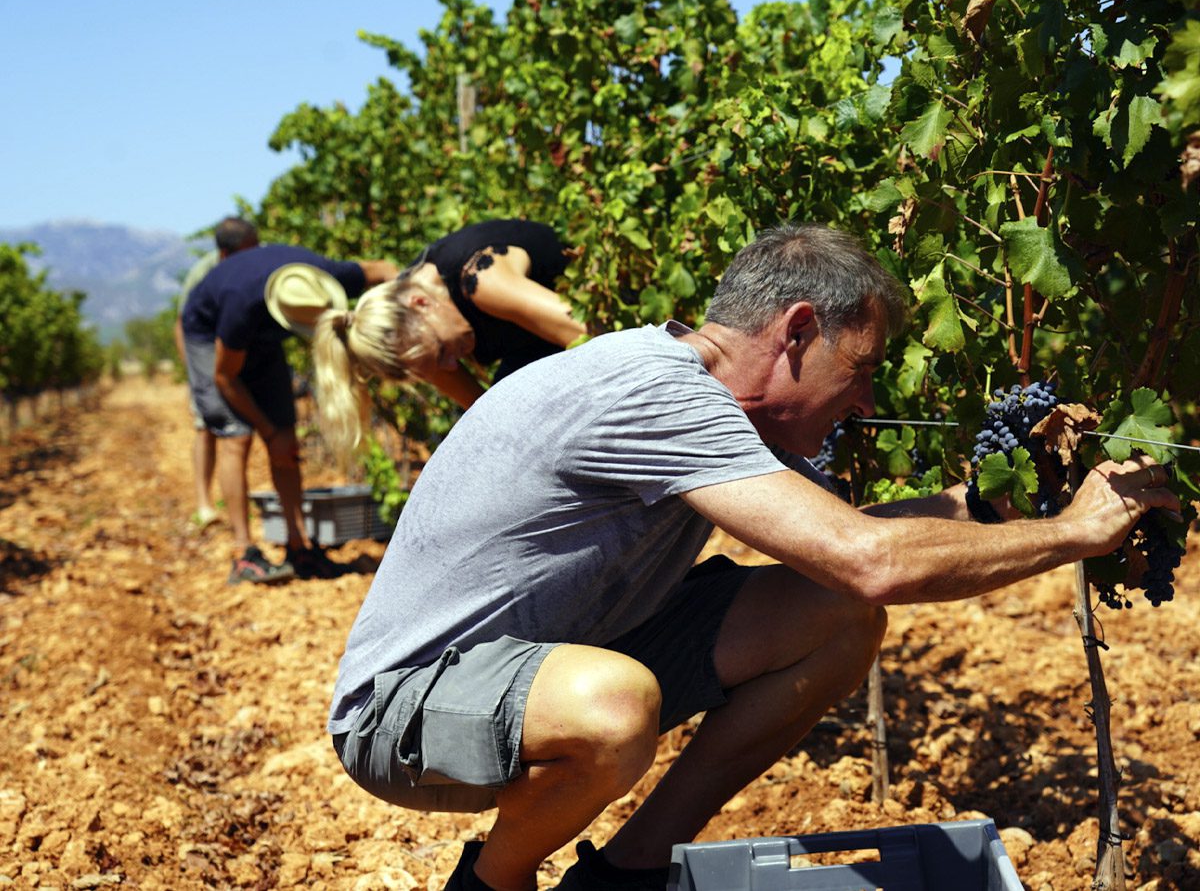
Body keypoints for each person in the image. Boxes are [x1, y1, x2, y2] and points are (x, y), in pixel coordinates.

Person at [325, 223, 1178, 891]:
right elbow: (870, 556)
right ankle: (492, 884)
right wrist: (1074, 533)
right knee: (616, 704)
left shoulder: (703, 396)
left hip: (549, 657)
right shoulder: (653, 391)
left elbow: (845, 544)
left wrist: (991, 506)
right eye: (862, 368)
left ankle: (627, 875)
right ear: (798, 331)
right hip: (408, 708)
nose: (870, 398)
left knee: (838, 618)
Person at [180, 243, 398, 583]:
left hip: (261, 340)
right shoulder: (242, 304)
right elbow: (225, 377)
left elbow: (385, 269)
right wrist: (267, 431)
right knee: (236, 436)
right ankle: (243, 554)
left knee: (286, 440)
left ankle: (300, 547)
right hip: (210, 338)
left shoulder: (326, 277)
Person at [312, 219, 586, 457]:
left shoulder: (482, 280)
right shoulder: (421, 342)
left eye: (443, 351)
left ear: (421, 303)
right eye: (436, 366)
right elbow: (488, 416)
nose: (452, 368)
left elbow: (593, 336)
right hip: (539, 348)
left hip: (600, 312)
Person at [173, 217, 260, 531]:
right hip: (206, 354)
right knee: (206, 426)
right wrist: (197, 372)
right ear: (226, 253)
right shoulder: (203, 272)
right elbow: (183, 323)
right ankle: (203, 502)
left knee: (234, 432)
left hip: (235, 353)